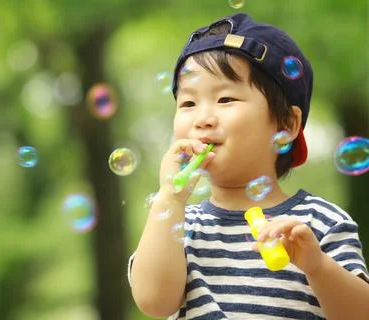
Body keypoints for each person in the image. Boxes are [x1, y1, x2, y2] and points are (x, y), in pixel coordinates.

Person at [128, 13, 369, 320]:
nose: (203, 118)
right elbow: (154, 302)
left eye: (226, 99)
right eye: (188, 103)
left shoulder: (319, 223)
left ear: (287, 124)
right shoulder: (179, 225)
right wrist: (170, 198)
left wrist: (317, 266)